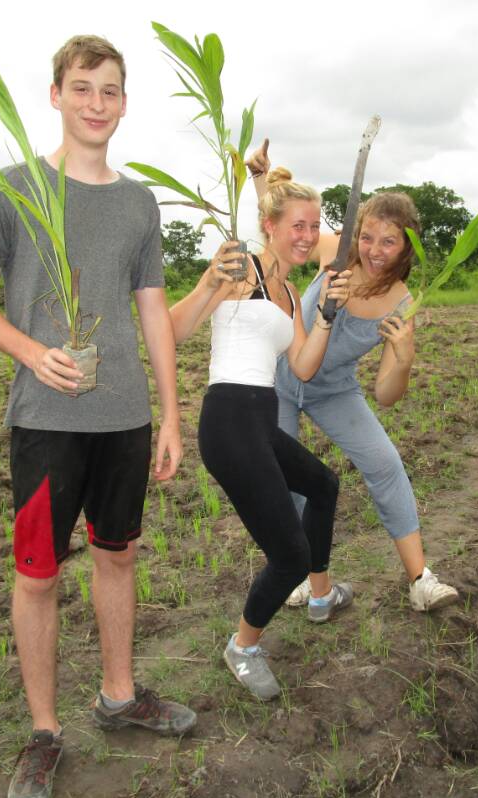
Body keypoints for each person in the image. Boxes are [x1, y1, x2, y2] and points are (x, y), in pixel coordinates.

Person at [0, 35, 194, 798]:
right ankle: (44, 732)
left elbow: (152, 311)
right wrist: (33, 353)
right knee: (38, 573)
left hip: (124, 419)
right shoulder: (14, 189)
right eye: (83, 87)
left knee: (118, 556)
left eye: (110, 90)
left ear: (125, 103)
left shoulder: (139, 203)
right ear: (55, 95)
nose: (97, 103)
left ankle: (119, 696)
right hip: (45, 419)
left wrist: (170, 414)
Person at [246, 142, 460, 613]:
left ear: (406, 246)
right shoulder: (336, 253)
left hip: (333, 391)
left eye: (389, 242)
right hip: (278, 381)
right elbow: (283, 236)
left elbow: (386, 395)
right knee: (287, 479)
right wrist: (261, 181)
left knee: (384, 463)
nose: (375, 251)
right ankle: (300, 576)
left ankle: (420, 580)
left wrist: (403, 357)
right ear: (356, 234)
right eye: (368, 237)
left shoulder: (402, 305)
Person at [168, 169, 352, 700]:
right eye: (298, 225)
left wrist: (326, 317)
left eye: (315, 226)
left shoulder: (290, 294)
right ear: (269, 226)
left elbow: (304, 365)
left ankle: (320, 595)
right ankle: (243, 647)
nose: (308, 236)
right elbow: (173, 330)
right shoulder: (240, 270)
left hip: (260, 421)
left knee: (323, 485)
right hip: (228, 421)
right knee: (288, 554)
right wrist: (207, 282)